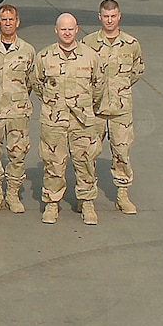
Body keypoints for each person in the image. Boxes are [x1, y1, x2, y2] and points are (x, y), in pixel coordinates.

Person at [32, 12, 105, 226]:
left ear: (77, 29)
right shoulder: (45, 57)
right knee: (53, 163)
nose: (67, 32)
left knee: (85, 162)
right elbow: (37, 84)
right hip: (54, 120)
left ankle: (87, 202)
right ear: (56, 30)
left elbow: (98, 86)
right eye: (63, 29)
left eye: (70, 29)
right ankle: (52, 203)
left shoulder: (90, 56)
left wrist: (84, 105)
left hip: (82, 120)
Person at [83, 0, 144, 215]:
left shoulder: (131, 43)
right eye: (106, 16)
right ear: (99, 17)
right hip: (95, 109)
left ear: (120, 17)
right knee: (88, 154)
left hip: (120, 110)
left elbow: (137, 70)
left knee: (122, 152)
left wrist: (120, 89)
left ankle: (122, 195)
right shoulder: (88, 43)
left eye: (113, 16)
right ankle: (86, 196)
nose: (109, 20)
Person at [0, 4, 36, 214]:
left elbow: (32, 81)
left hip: (17, 113)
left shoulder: (27, 50)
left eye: (11, 20)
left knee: (18, 154)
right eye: (4, 20)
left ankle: (13, 193)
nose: (7, 23)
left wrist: (19, 101)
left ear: (17, 22)